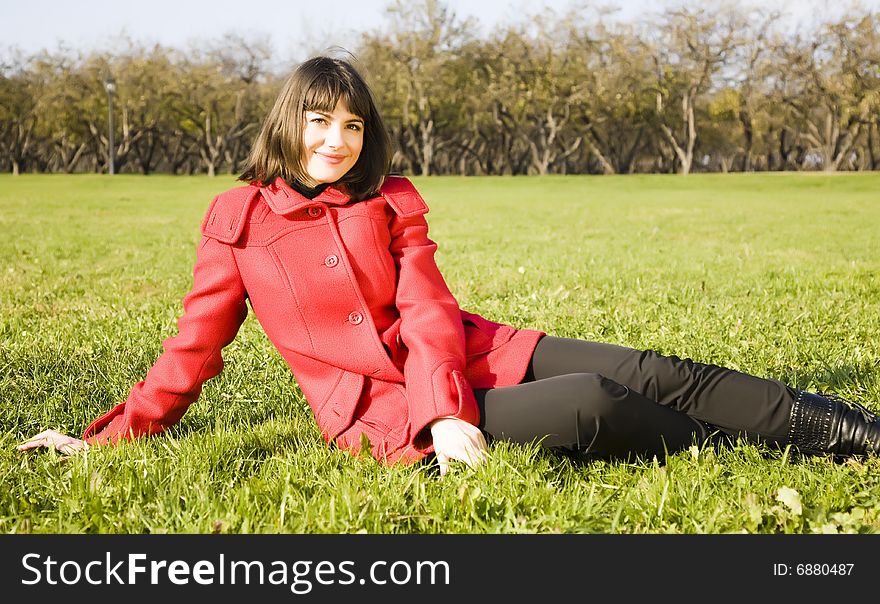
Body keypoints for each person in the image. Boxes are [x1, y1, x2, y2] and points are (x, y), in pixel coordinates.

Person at [18, 56, 880, 474]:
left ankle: (850, 431)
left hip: (467, 353)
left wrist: (451, 406)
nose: (335, 140)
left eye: (351, 125)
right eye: (319, 122)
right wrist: (104, 440)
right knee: (593, 403)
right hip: (380, 413)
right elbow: (191, 352)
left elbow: (429, 312)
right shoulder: (238, 220)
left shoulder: (391, 200)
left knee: (654, 368)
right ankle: (762, 455)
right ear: (289, 125)